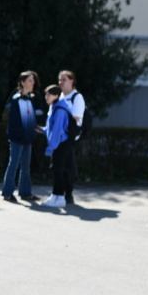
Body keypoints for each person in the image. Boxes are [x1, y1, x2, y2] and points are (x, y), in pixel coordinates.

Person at [1, 70, 41, 203]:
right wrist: (22, 135)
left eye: (33, 80)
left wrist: (33, 133)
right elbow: (14, 123)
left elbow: (31, 119)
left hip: (27, 138)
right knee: (14, 164)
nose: (33, 82)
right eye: (30, 80)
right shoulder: (16, 99)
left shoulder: (31, 98)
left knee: (26, 167)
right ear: (22, 83)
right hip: (17, 138)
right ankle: (7, 193)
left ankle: (25, 193)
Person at [40, 85, 75, 208]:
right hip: (60, 144)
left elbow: (57, 131)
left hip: (61, 144)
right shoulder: (55, 107)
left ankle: (59, 197)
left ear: (56, 95)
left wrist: (50, 148)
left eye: (48, 94)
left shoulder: (59, 109)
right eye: (46, 94)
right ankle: (55, 196)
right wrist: (43, 130)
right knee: (57, 170)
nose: (46, 97)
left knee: (58, 171)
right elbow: (52, 128)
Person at [57, 70, 83, 204]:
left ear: (72, 81)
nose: (61, 82)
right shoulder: (59, 97)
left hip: (68, 137)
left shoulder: (77, 97)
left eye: (64, 79)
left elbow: (76, 117)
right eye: (60, 80)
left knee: (67, 166)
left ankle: (68, 194)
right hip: (58, 136)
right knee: (57, 166)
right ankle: (58, 193)